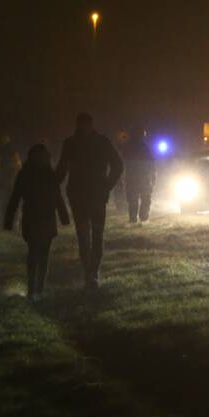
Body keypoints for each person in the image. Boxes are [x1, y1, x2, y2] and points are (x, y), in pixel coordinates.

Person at [55, 113, 123, 289]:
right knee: (90, 235)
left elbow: (61, 169)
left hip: (84, 194)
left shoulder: (71, 143)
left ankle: (90, 272)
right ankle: (91, 273)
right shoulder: (100, 141)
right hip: (91, 194)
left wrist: (107, 185)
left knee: (88, 235)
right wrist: (108, 184)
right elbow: (118, 165)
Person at [4, 144, 70, 301]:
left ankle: (36, 288)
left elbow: (16, 197)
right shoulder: (40, 174)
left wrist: (9, 220)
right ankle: (35, 288)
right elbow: (57, 196)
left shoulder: (31, 173)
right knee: (38, 252)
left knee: (39, 252)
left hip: (38, 217)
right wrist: (63, 216)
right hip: (37, 218)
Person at [121, 128, 156, 224]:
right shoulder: (144, 147)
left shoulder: (128, 147)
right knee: (144, 198)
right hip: (141, 176)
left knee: (134, 198)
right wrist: (153, 176)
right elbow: (151, 164)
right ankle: (142, 218)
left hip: (134, 177)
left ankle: (134, 218)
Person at [0, 134, 22, 229]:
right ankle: (11, 222)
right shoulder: (5, 150)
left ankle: (14, 223)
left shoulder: (10, 150)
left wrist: (0, 163)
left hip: (11, 181)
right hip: (7, 181)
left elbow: (16, 164)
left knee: (10, 202)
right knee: (7, 202)